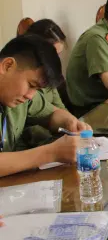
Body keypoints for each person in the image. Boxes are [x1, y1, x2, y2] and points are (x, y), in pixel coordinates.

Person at [0, 35, 85, 177]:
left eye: (37, 89)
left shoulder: (18, 96)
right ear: (7, 66)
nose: (30, 95)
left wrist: (70, 122)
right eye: (31, 85)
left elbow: (51, 113)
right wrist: (51, 153)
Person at [19, 19, 91, 148]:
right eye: (51, 54)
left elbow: (56, 110)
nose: (55, 61)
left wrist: (72, 123)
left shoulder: (48, 78)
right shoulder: (19, 89)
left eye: (58, 55)